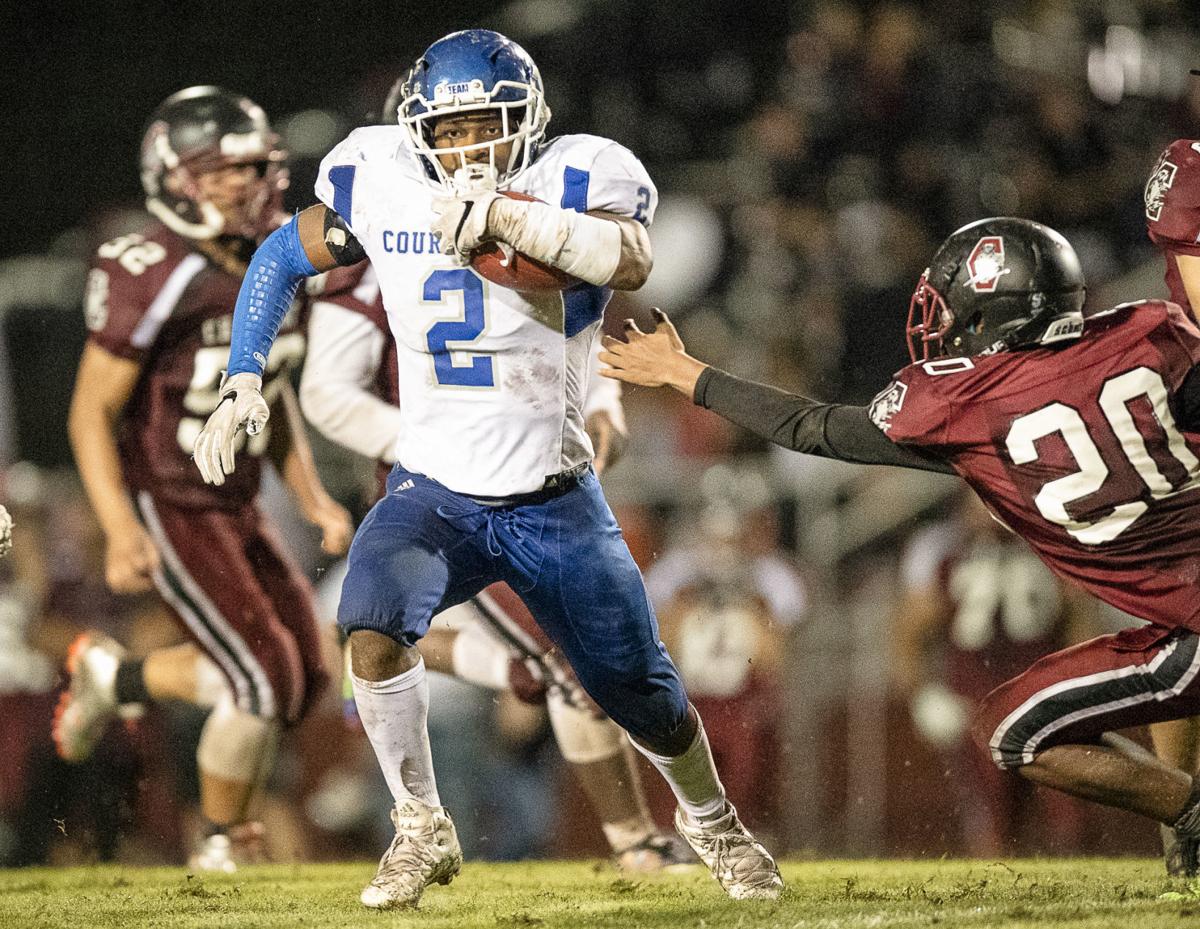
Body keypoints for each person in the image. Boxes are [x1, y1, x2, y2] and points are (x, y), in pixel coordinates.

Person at [191, 30, 781, 908]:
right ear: (419, 129)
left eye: (485, 126)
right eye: (451, 129)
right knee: (370, 622)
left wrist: (509, 216)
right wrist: (244, 372)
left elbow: (630, 258)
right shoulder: (382, 172)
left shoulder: (578, 174)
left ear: (528, 121)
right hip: (435, 490)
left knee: (642, 692)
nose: (466, 147)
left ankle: (714, 822)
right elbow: (281, 255)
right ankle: (420, 825)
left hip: (554, 496)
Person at [600, 214, 1200, 878]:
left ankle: (1192, 812)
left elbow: (813, 427)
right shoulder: (1149, 331)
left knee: (1014, 731)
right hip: (1176, 617)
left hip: (1187, 628)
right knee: (1152, 661)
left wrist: (689, 375)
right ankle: (1186, 840)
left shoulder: (965, 404)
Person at [300, 255, 690, 872]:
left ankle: (632, 834)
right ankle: (633, 840)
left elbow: (564, 333)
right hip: (443, 498)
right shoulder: (378, 239)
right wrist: (448, 450)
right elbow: (327, 392)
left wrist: (601, 401)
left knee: (571, 661)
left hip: (537, 486)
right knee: (555, 664)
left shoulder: (519, 221)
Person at [56, 87, 353, 872]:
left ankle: (116, 675)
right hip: (168, 496)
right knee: (258, 676)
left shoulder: (279, 258)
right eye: (225, 171)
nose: (247, 183)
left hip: (236, 499)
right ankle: (224, 843)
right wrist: (120, 527)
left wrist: (312, 494)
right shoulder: (151, 269)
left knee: (304, 678)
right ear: (176, 178)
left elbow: (275, 387)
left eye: (256, 166)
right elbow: (90, 414)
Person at [892, 490, 1096, 856]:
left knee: (1071, 812)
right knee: (993, 822)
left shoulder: (1049, 541)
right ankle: (997, 903)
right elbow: (909, 631)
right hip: (981, 704)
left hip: (1046, 695)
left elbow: (1079, 616)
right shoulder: (945, 550)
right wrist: (921, 695)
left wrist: (1089, 686)